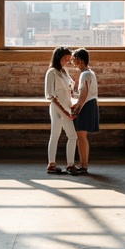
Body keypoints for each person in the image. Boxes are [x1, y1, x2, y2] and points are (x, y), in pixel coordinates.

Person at [44, 45, 77, 174]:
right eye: (65, 58)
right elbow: (50, 95)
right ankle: (59, 164)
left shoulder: (64, 72)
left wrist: (71, 106)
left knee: (67, 136)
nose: (67, 61)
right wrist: (64, 111)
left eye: (69, 58)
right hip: (58, 108)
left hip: (67, 107)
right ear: (58, 58)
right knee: (63, 135)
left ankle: (63, 164)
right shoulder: (51, 72)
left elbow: (70, 90)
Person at [68, 48, 99, 175]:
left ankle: (83, 164)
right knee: (81, 137)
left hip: (86, 106)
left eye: (74, 60)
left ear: (80, 60)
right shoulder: (89, 73)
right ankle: (83, 163)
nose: (72, 62)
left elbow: (84, 93)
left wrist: (77, 107)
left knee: (81, 137)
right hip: (89, 104)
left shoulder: (85, 74)